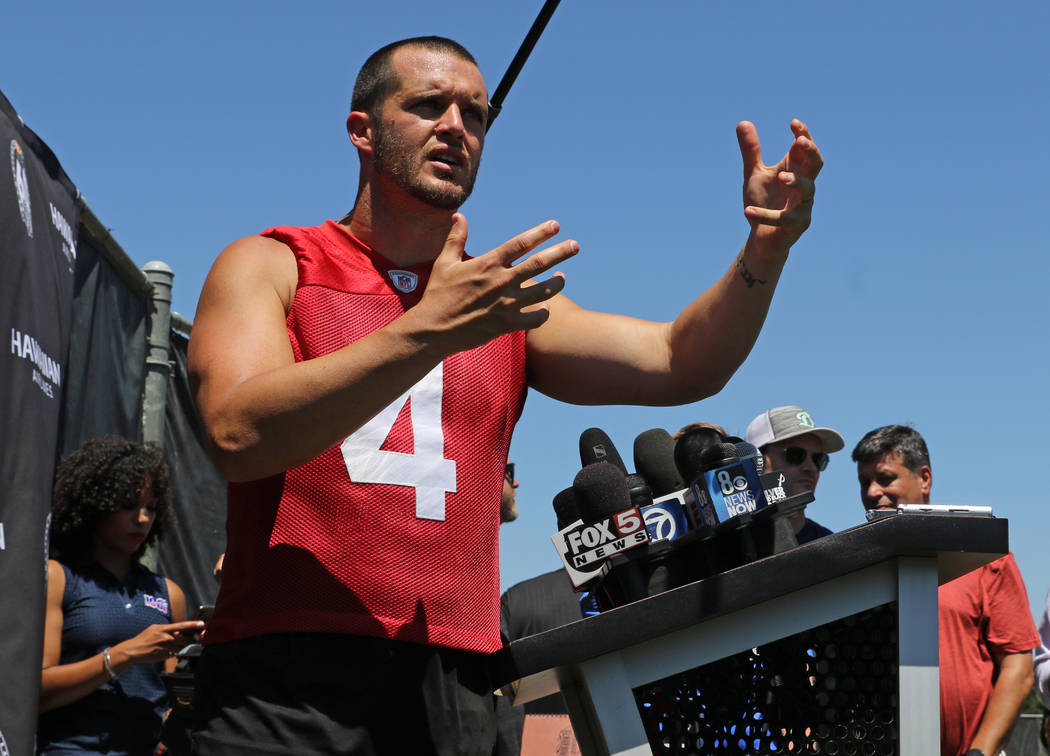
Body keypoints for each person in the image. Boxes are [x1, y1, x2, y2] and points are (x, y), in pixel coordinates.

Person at [187, 34, 823, 755]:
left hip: (456, 679)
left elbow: (681, 362)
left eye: (476, 114)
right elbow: (237, 435)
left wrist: (765, 252)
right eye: (428, 105)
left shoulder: (499, 305)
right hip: (283, 680)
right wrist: (426, 331)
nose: (456, 126)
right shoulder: (273, 265)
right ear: (362, 130)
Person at [852, 425, 1037, 756]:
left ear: (924, 478)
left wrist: (981, 752)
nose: (872, 492)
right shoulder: (853, 566)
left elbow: (1019, 668)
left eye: (885, 478)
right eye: (864, 482)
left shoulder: (983, 556)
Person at [38, 437, 204, 756]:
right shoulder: (60, 577)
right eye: (128, 505)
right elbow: (36, 692)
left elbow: (173, 692)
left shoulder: (168, 593)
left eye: (151, 508)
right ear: (97, 503)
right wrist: (124, 655)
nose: (142, 519)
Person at [745, 405, 843, 542]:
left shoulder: (832, 545)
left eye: (818, 459)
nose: (811, 467)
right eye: (795, 455)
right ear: (756, 462)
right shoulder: (730, 544)